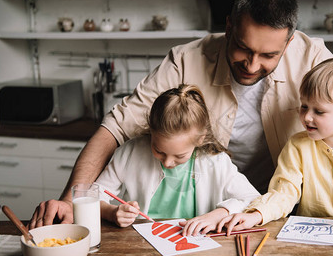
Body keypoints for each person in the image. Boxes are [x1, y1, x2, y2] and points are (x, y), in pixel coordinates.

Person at [29, 0, 333, 230]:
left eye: (269, 56)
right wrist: (71, 199)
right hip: (211, 209)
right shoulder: (186, 58)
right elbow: (114, 128)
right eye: (243, 49)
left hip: (283, 207)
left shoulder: (313, 55)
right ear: (228, 26)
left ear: (289, 42)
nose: (252, 65)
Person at [217, 58, 333, 232]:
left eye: (319, 111)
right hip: (311, 239)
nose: (307, 117)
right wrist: (256, 215)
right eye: (304, 106)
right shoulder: (297, 146)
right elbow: (284, 192)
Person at [97, 84, 259, 235]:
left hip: (196, 244)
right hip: (139, 244)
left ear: (200, 139)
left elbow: (254, 200)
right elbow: (91, 197)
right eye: (159, 150)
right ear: (151, 131)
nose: (167, 163)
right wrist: (112, 213)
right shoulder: (130, 153)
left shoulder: (217, 162)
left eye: (180, 156)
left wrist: (220, 213)